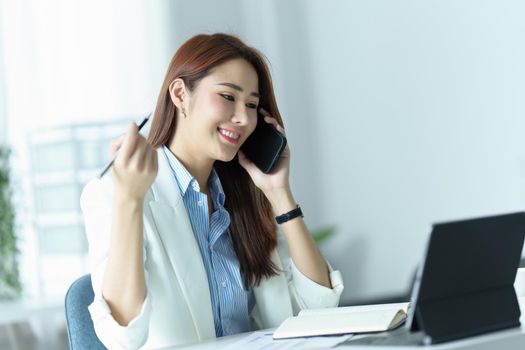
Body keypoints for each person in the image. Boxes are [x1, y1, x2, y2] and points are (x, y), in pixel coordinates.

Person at [80, 33, 344, 349]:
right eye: (228, 97)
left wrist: (278, 193)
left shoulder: (241, 198)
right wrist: (129, 201)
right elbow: (122, 337)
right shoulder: (115, 193)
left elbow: (319, 310)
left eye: (251, 104)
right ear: (180, 94)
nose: (243, 118)